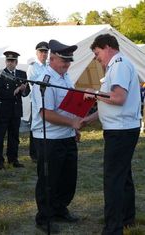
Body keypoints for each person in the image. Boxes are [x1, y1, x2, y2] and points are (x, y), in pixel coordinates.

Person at [82, 34, 141, 235]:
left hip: (121, 131)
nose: (97, 58)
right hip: (122, 128)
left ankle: (113, 228)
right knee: (123, 176)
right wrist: (89, 119)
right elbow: (110, 102)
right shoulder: (118, 66)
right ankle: (127, 218)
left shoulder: (119, 65)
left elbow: (118, 98)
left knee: (113, 179)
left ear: (107, 47)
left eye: (97, 53)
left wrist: (94, 92)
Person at [31, 39, 81, 233]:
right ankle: (44, 217)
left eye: (69, 61)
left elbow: (69, 106)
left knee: (68, 178)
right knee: (49, 179)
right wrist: (72, 123)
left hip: (66, 135)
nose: (67, 64)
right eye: (63, 61)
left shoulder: (66, 77)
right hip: (49, 137)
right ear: (52, 59)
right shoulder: (45, 80)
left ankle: (60, 209)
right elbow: (46, 113)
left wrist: (74, 128)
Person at [0, 51, 30, 170]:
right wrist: (14, 91)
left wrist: (23, 89)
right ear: (5, 61)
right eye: (8, 61)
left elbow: (26, 92)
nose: (10, 63)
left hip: (15, 109)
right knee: (0, 136)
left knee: (14, 136)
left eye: (12, 61)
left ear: (16, 62)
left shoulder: (22, 74)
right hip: (3, 109)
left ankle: (13, 159)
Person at [27, 41, 49, 162]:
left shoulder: (49, 66)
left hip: (47, 100)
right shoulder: (33, 66)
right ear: (37, 53)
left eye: (45, 52)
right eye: (41, 52)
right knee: (35, 125)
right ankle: (34, 153)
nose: (43, 54)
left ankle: (43, 150)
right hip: (36, 100)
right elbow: (32, 83)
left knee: (45, 125)